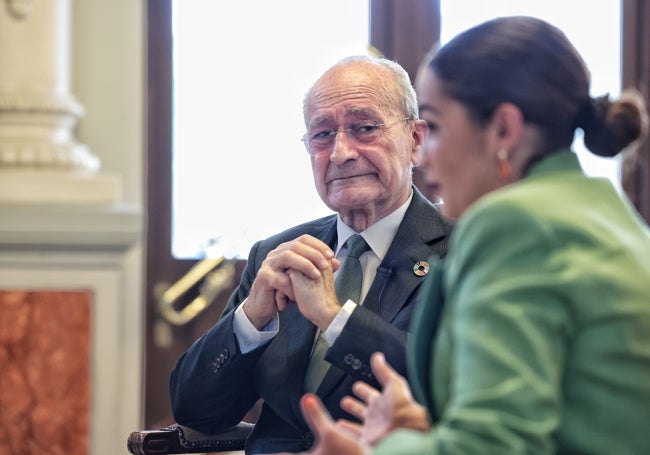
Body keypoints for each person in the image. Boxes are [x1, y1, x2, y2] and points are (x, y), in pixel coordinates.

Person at [279, 15, 650, 455]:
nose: (425, 154)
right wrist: (423, 431)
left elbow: (492, 446)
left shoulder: (513, 223)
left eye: (433, 127)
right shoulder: (607, 213)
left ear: (503, 130)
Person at [168, 55, 452, 454]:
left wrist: (335, 319)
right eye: (322, 135)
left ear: (416, 141)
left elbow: (450, 385)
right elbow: (195, 411)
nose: (340, 153)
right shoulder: (277, 255)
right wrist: (250, 319)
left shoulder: (459, 247)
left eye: (364, 128)